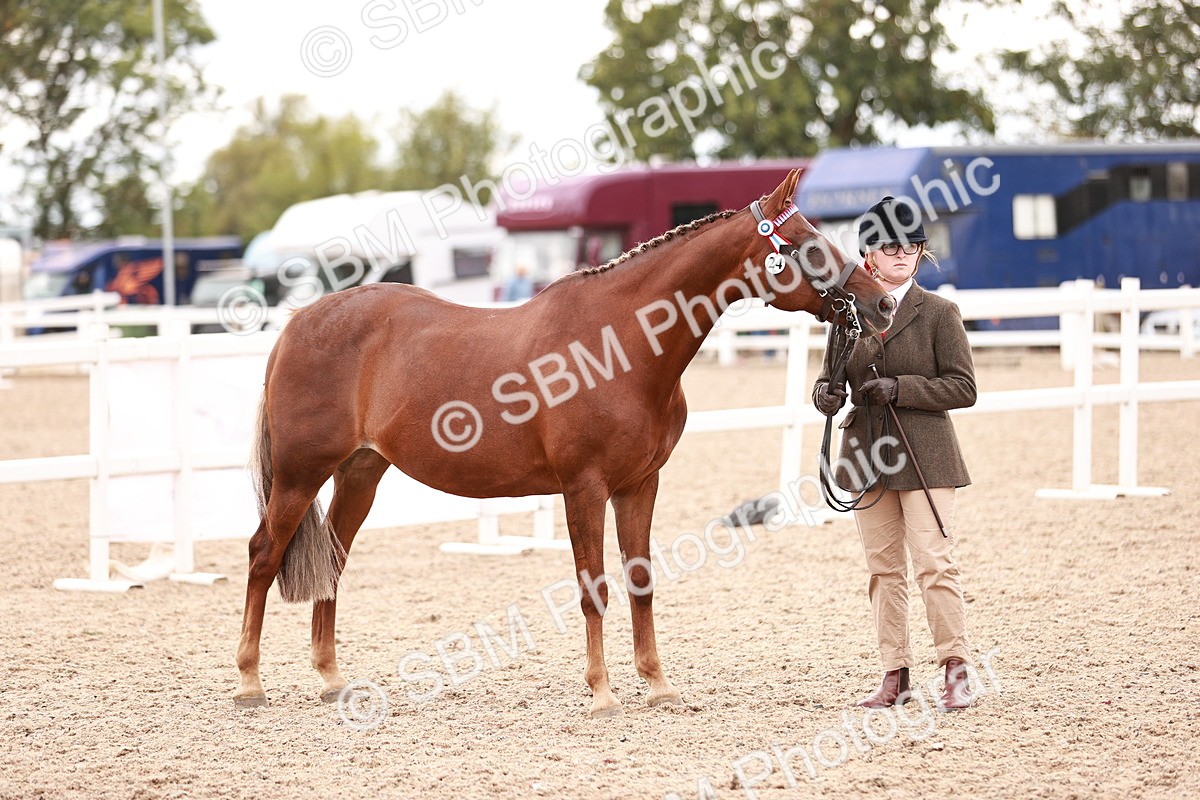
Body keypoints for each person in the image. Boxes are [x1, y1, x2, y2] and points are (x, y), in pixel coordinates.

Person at [812, 196, 978, 711]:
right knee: (883, 571)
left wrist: (901, 388)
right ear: (870, 257)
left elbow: (963, 388)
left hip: (926, 456)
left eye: (911, 247)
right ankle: (895, 675)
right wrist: (826, 395)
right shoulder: (848, 315)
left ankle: (956, 670)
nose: (902, 255)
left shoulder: (939, 313)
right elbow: (828, 379)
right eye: (890, 247)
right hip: (867, 457)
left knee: (934, 563)